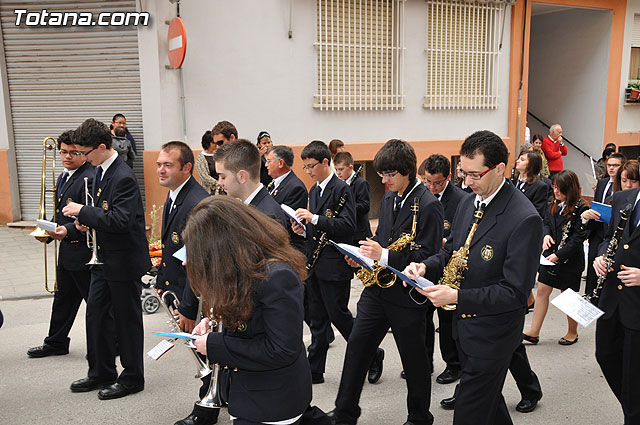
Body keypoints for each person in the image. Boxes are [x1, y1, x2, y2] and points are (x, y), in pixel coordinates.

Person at [404, 130, 543, 425]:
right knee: (490, 407)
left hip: (493, 336)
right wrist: (424, 267)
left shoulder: (525, 218)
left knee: (469, 413)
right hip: (464, 332)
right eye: (463, 173)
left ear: (500, 169)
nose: (467, 182)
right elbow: (452, 250)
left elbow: (515, 293)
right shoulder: (468, 202)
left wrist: (457, 297)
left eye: (475, 175)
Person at [328, 140, 442, 425]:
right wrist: (364, 255)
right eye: (382, 174)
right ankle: (344, 412)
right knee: (356, 347)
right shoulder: (391, 198)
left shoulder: (428, 204)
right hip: (378, 289)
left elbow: (428, 256)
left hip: (406, 295)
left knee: (414, 360)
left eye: (389, 174)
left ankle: (419, 417)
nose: (384, 180)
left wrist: (385, 254)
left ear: (407, 171)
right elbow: (384, 239)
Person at [187, 197, 318, 425]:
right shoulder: (245, 265)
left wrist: (214, 344)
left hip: (273, 403)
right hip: (249, 394)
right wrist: (212, 320)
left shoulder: (278, 276)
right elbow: (247, 312)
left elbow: (280, 349)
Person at [62, 118, 151, 400]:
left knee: (127, 322)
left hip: (123, 261)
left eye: (86, 152)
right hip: (103, 259)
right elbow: (106, 212)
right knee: (96, 316)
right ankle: (101, 371)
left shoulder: (122, 176)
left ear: (102, 147)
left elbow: (121, 220)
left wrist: (83, 212)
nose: (83, 158)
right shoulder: (101, 170)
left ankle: (132, 377)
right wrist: (91, 220)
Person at [155, 141, 217, 425]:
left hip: (194, 294)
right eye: (159, 164)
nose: (161, 170)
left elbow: (197, 261)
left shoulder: (196, 202)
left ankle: (208, 405)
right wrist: (161, 279)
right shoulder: (175, 195)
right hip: (177, 286)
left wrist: (189, 308)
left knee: (204, 351)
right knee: (201, 350)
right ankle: (217, 395)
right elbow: (171, 245)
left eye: (168, 165)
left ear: (187, 168)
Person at [292, 140, 356, 385]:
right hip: (316, 264)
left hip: (334, 265)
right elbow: (315, 231)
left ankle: (371, 353)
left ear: (325, 162)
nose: (308, 172)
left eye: (311, 166)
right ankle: (315, 369)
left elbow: (347, 227)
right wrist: (302, 229)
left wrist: (315, 218)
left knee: (338, 316)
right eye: (305, 167)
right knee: (317, 319)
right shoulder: (314, 190)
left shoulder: (341, 189)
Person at [27, 130, 94, 358]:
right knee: (63, 299)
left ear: (83, 153)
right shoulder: (64, 176)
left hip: (84, 250)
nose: (67, 156)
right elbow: (62, 214)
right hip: (67, 250)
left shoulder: (89, 177)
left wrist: (68, 229)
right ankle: (56, 342)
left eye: (73, 152)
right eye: (63, 152)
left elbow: (92, 216)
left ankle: (111, 344)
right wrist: (48, 231)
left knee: (95, 304)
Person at [523, 170, 589, 346]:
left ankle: (572, 331)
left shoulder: (582, 208)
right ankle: (534, 332)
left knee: (569, 296)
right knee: (543, 290)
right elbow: (545, 222)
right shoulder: (552, 203)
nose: (556, 192)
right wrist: (545, 236)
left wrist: (558, 256)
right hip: (549, 254)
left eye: (560, 189)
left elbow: (577, 240)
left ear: (570, 188)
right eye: (554, 187)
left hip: (569, 259)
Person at [419, 154, 468, 386]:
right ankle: (424, 362)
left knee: (447, 321)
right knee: (423, 318)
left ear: (448, 177)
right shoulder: (421, 194)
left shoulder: (461, 199)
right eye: (427, 181)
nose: (431, 187)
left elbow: (465, 233)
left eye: (437, 183)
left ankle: (453, 365)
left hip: (449, 267)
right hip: (426, 264)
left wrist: (445, 241)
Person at [593, 185, 640, 425]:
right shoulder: (623, 197)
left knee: (633, 377)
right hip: (612, 299)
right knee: (605, 355)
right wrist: (601, 257)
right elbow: (608, 237)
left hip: (637, 308)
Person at [214, 139, 289, 230]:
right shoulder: (249, 206)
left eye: (223, 177)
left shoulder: (266, 218)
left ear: (242, 177)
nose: (219, 183)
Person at [583, 152, 627, 297]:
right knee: (593, 264)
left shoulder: (624, 186)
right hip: (598, 229)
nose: (611, 168)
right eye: (609, 165)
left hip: (613, 229)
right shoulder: (602, 183)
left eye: (615, 165)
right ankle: (590, 294)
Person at [333, 152, 372, 243]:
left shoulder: (361, 183)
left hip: (359, 233)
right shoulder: (339, 184)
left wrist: (346, 207)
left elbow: (365, 206)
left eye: (341, 169)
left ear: (351, 167)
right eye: (336, 169)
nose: (338, 172)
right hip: (346, 231)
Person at [513, 151, 551, 218]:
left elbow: (537, 211)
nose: (517, 161)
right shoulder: (512, 181)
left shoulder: (540, 186)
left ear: (531, 164)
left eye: (522, 160)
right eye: (518, 159)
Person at [195, 130, 221, 195]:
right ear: (207, 143)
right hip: (208, 191)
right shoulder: (200, 158)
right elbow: (204, 176)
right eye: (213, 143)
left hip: (220, 189)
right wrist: (218, 184)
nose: (216, 145)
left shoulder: (218, 155)